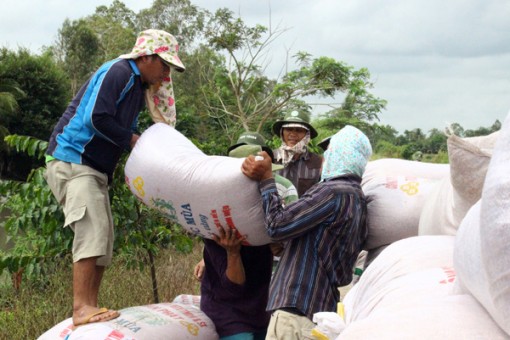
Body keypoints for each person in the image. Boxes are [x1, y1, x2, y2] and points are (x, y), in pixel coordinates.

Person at [43, 29, 185, 327]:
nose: (165, 73)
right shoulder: (119, 71)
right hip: (73, 159)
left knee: (103, 238)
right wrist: (134, 140)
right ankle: (81, 307)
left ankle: (90, 306)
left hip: (94, 168)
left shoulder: (136, 86)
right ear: (146, 57)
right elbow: (96, 118)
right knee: (92, 228)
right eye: (164, 65)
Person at [241, 125, 372, 340]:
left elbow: (277, 225)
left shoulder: (332, 192)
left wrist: (266, 179)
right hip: (319, 312)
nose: (325, 157)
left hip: (297, 310)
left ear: (341, 155)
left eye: (330, 151)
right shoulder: (357, 199)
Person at [271, 110, 322, 197]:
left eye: (299, 130)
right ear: (282, 132)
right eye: (288, 129)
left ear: (307, 135)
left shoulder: (318, 163)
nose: (293, 134)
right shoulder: (269, 158)